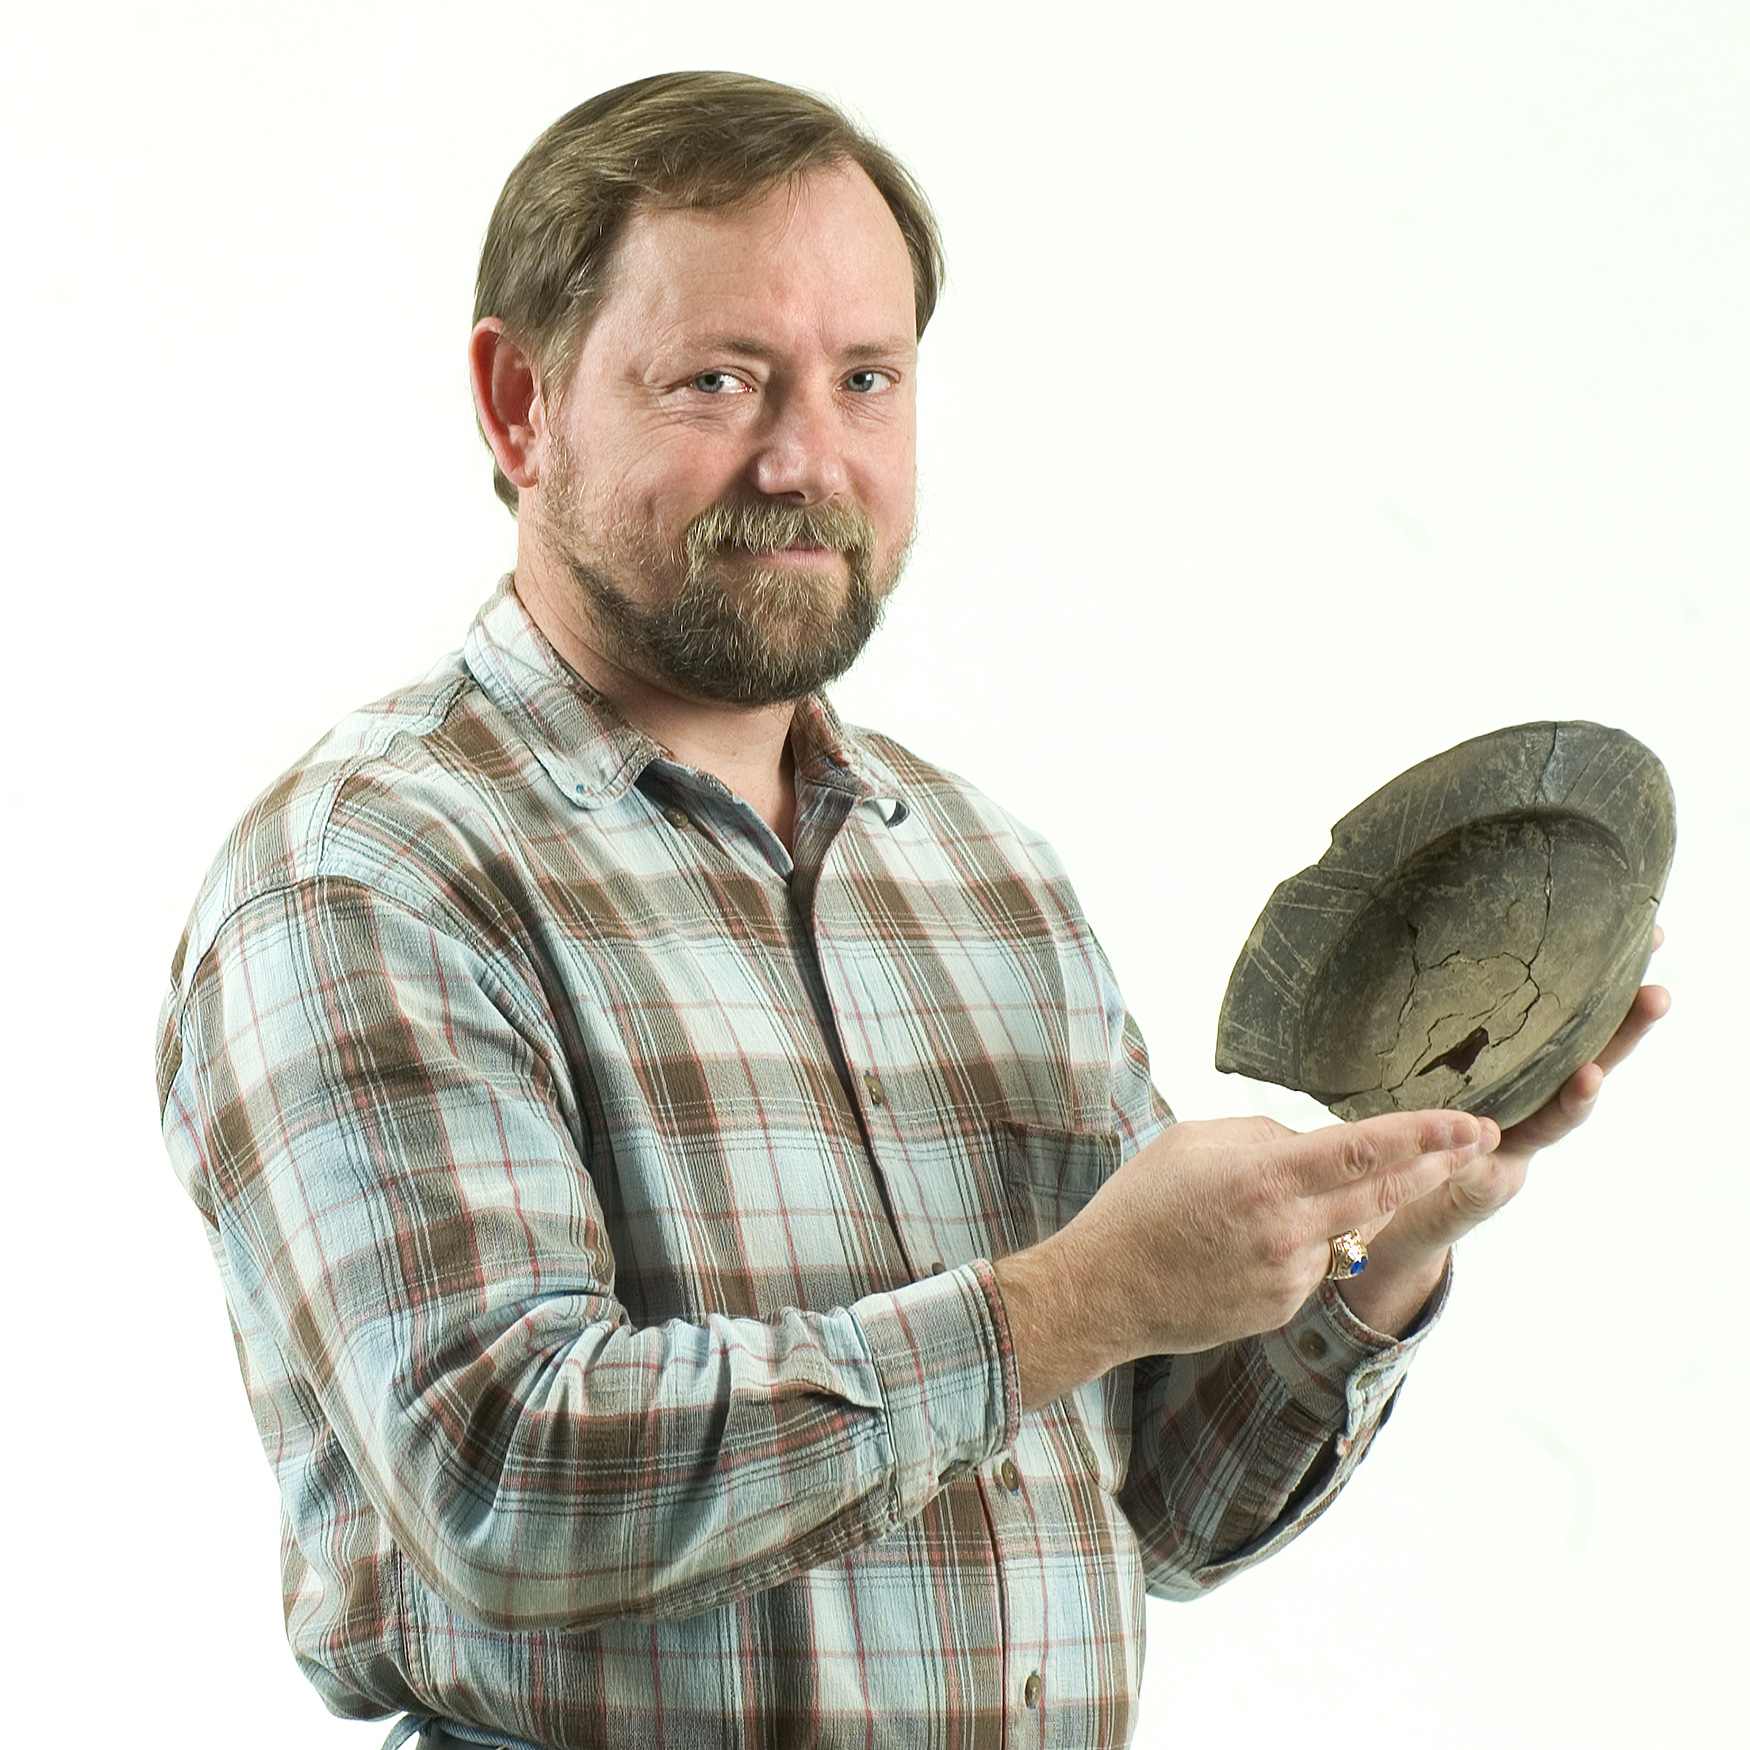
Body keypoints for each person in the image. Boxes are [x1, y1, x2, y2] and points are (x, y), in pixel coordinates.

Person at [156, 71, 1666, 1750]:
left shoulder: (981, 871)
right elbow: (510, 1473)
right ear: (519, 405)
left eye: (864, 379)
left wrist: (1392, 1232)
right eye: (720, 380)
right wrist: (1076, 1294)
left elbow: (1161, 1502)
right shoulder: (369, 872)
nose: (806, 459)